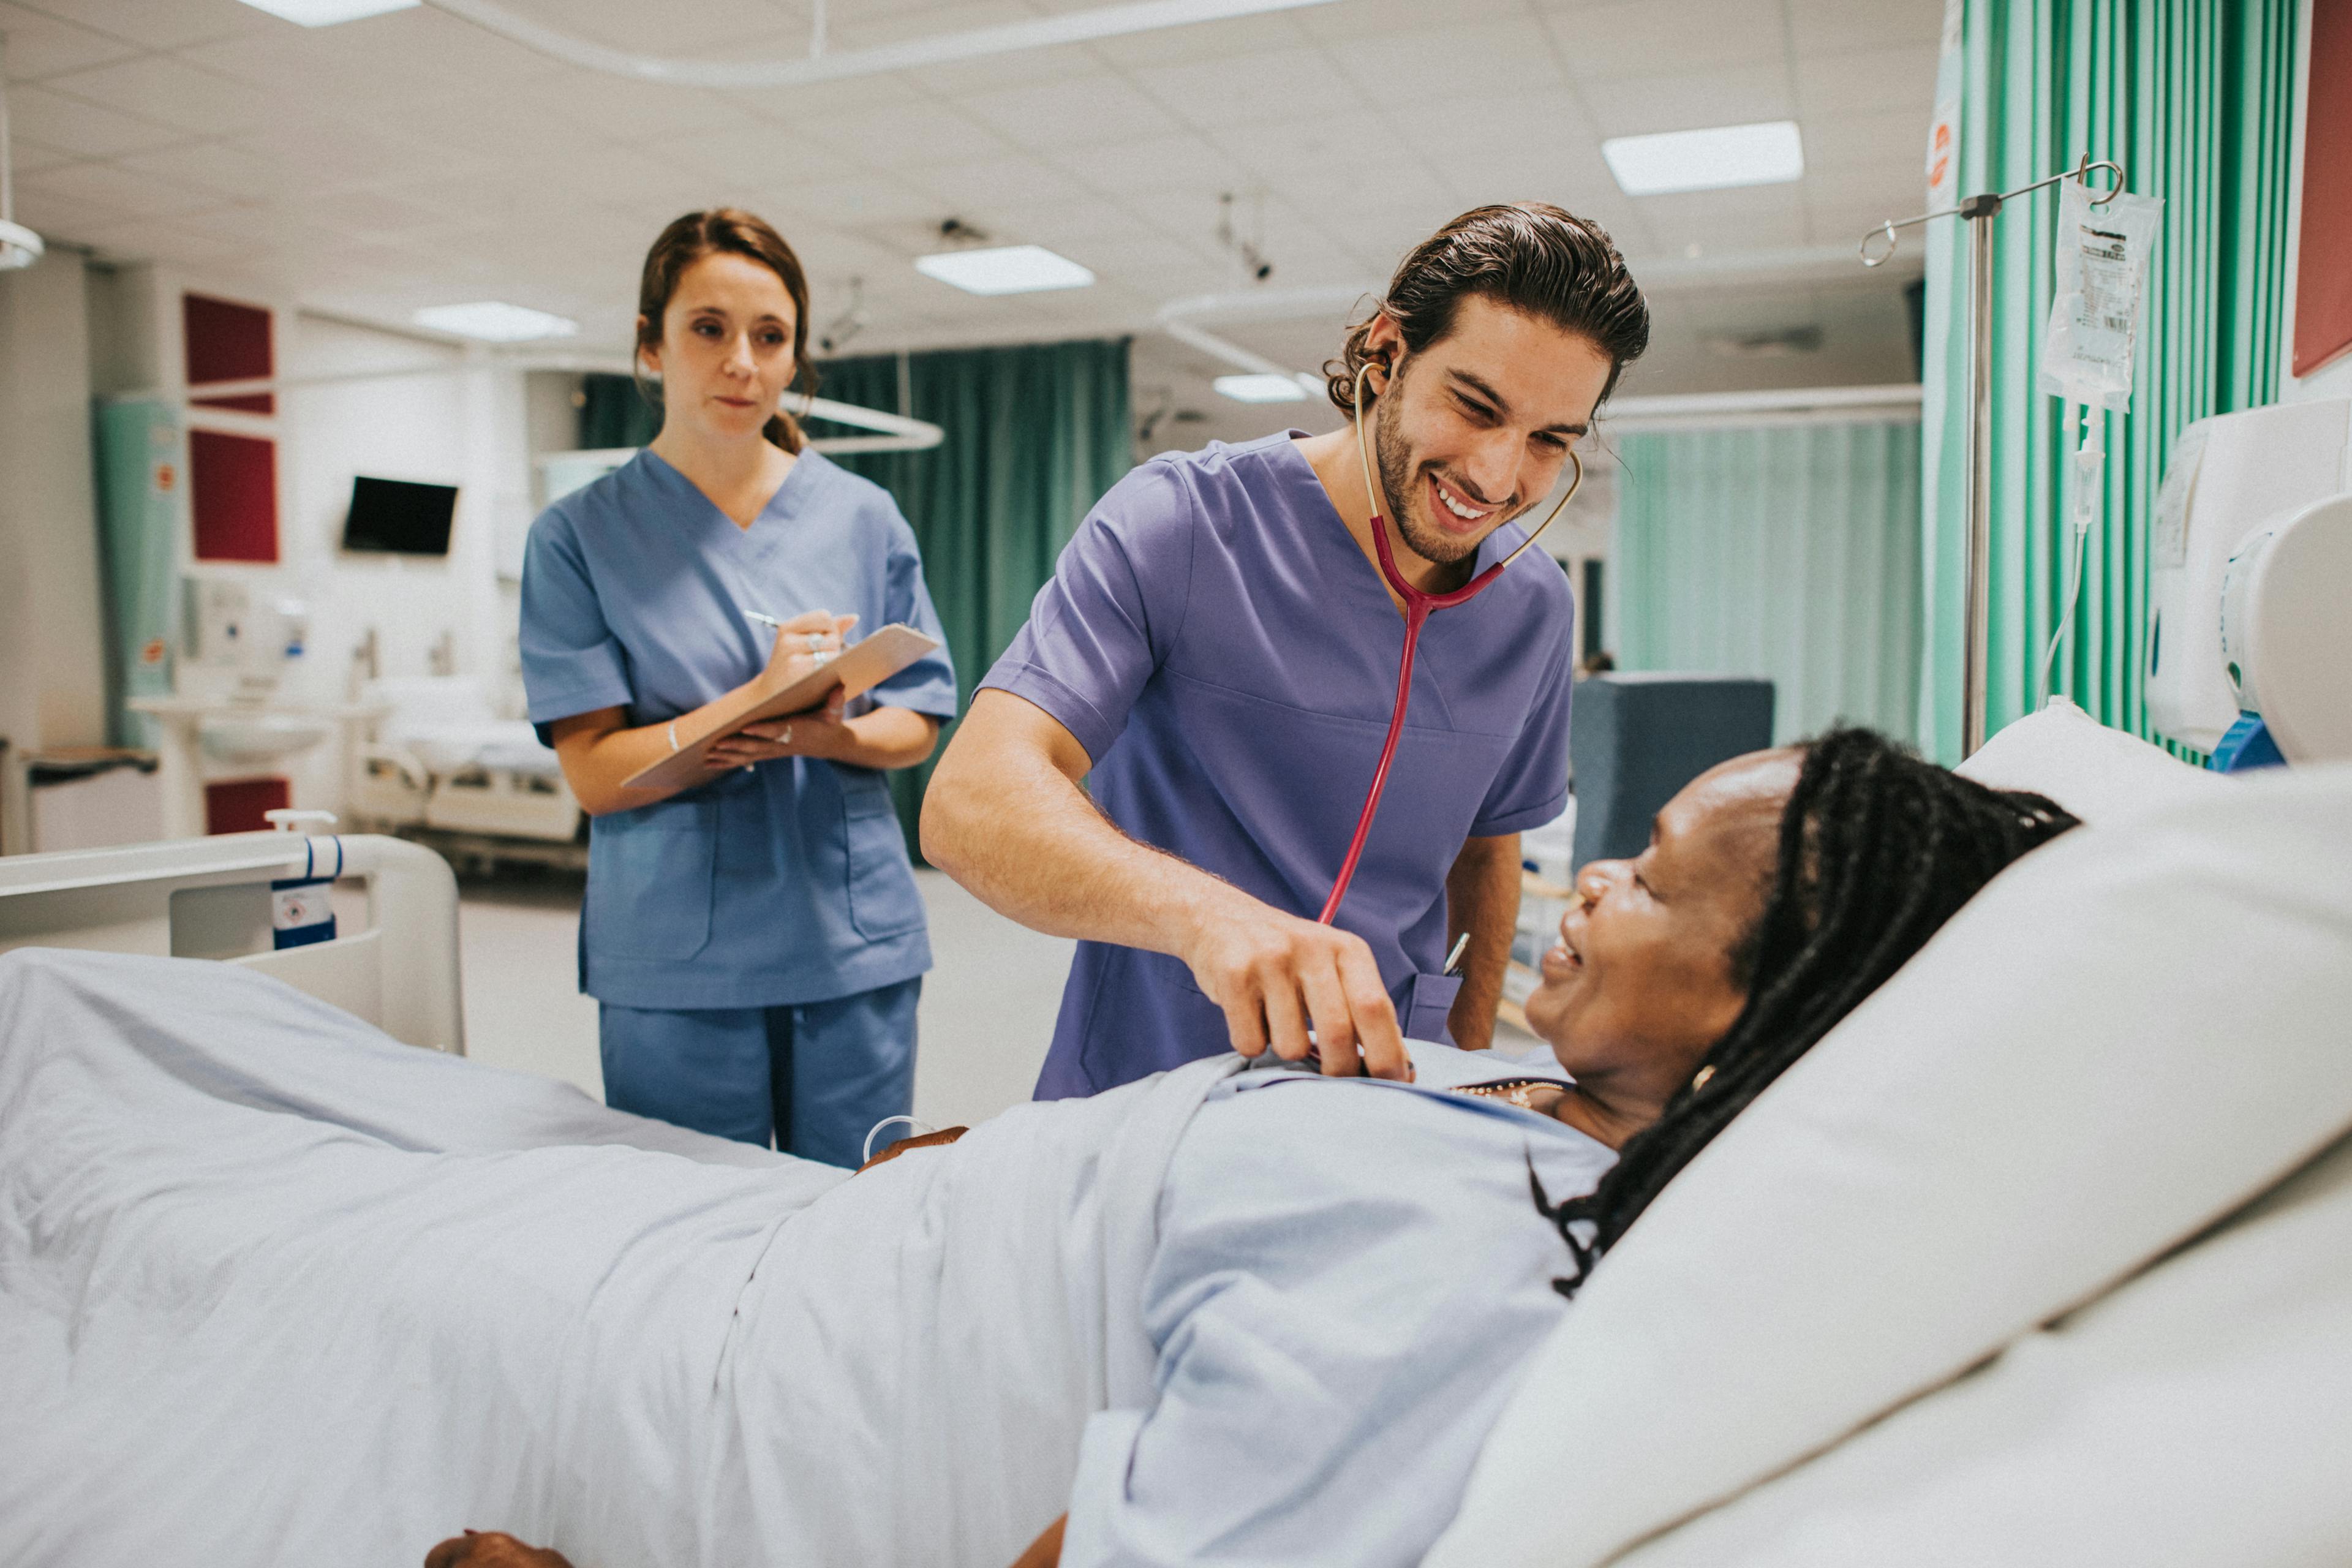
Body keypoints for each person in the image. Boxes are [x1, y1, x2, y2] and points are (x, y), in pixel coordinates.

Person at [406, 729, 2079, 1568]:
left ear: (1758, 1001)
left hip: (743, 1378)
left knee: (329, 1201)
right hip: (809, 1243)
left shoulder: (1492, 1277)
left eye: (1644, 879)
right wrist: (991, 1165)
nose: (1590, 883)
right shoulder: (1509, 1095)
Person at [921, 203, 1651, 1099]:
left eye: (1549, 442)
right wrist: (1209, 918)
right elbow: (968, 802)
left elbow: (1487, 849)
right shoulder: (1186, 524)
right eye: (1474, 406)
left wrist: (1468, 1071)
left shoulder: (1532, 606)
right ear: (1386, 353)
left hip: (1385, 1090)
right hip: (1148, 1076)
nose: (1497, 478)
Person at [519, 208, 957, 1167]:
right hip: (676, 956)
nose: (743, 364)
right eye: (709, 330)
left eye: (770, 337)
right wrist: (748, 707)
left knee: (858, 1213)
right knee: (693, 1230)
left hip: (849, 941)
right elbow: (594, 776)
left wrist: (823, 734)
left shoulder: (863, 517)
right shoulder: (578, 537)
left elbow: (918, 720)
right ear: (651, 345)